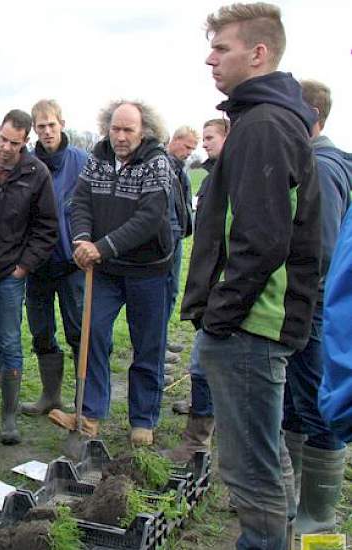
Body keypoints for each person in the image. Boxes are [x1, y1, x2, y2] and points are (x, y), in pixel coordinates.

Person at [183, 4, 320, 547]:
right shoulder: (266, 118)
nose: (210, 58)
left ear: (258, 54)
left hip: (251, 329)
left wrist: (221, 317)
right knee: (268, 457)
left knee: (251, 471)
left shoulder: (263, 125)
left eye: (222, 48)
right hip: (256, 324)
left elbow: (262, 239)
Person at [51, 100, 174, 447]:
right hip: (105, 270)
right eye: (115, 129)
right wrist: (81, 239)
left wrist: (101, 246)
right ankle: (89, 414)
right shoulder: (98, 157)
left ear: (143, 131)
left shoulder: (156, 162)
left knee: (148, 343)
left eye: (128, 130)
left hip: (148, 270)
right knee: (93, 335)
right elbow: (81, 202)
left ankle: (143, 420)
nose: (120, 137)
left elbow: (149, 219)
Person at [0, 109, 58, 445]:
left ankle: (8, 418)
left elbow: (46, 227)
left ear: (25, 142)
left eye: (14, 143)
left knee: (9, 343)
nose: (6, 147)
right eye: (3, 139)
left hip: (9, 273)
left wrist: (24, 266)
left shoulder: (37, 173)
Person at [282, 79, 350, 538]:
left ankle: (320, 511)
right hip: (305, 305)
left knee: (315, 404)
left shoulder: (321, 170)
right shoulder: (312, 162)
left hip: (314, 307)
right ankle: (293, 495)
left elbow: (320, 255)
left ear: (312, 118)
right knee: (293, 400)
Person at [20, 99, 88, 417]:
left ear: (62, 123)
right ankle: (50, 395)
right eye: (40, 126)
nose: (47, 131)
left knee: (78, 331)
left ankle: (84, 399)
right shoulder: (28, 163)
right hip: (37, 265)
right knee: (41, 332)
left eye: (51, 125)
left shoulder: (82, 162)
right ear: (34, 129)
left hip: (73, 263)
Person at [166, 119, 228, 464]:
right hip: (210, 286)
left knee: (204, 365)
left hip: (225, 289)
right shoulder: (212, 177)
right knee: (204, 363)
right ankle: (203, 433)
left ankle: (198, 442)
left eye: (209, 139)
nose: (203, 146)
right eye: (199, 140)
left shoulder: (235, 177)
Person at [163, 126, 198, 369]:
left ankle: (161, 341)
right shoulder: (162, 167)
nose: (189, 153)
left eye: (192, 149)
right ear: (174, 140)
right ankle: (154, 349)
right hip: (166, 241)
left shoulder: (180, 170)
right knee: (162, 294)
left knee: (172, 292)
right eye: (187, 147)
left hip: (177, 239)